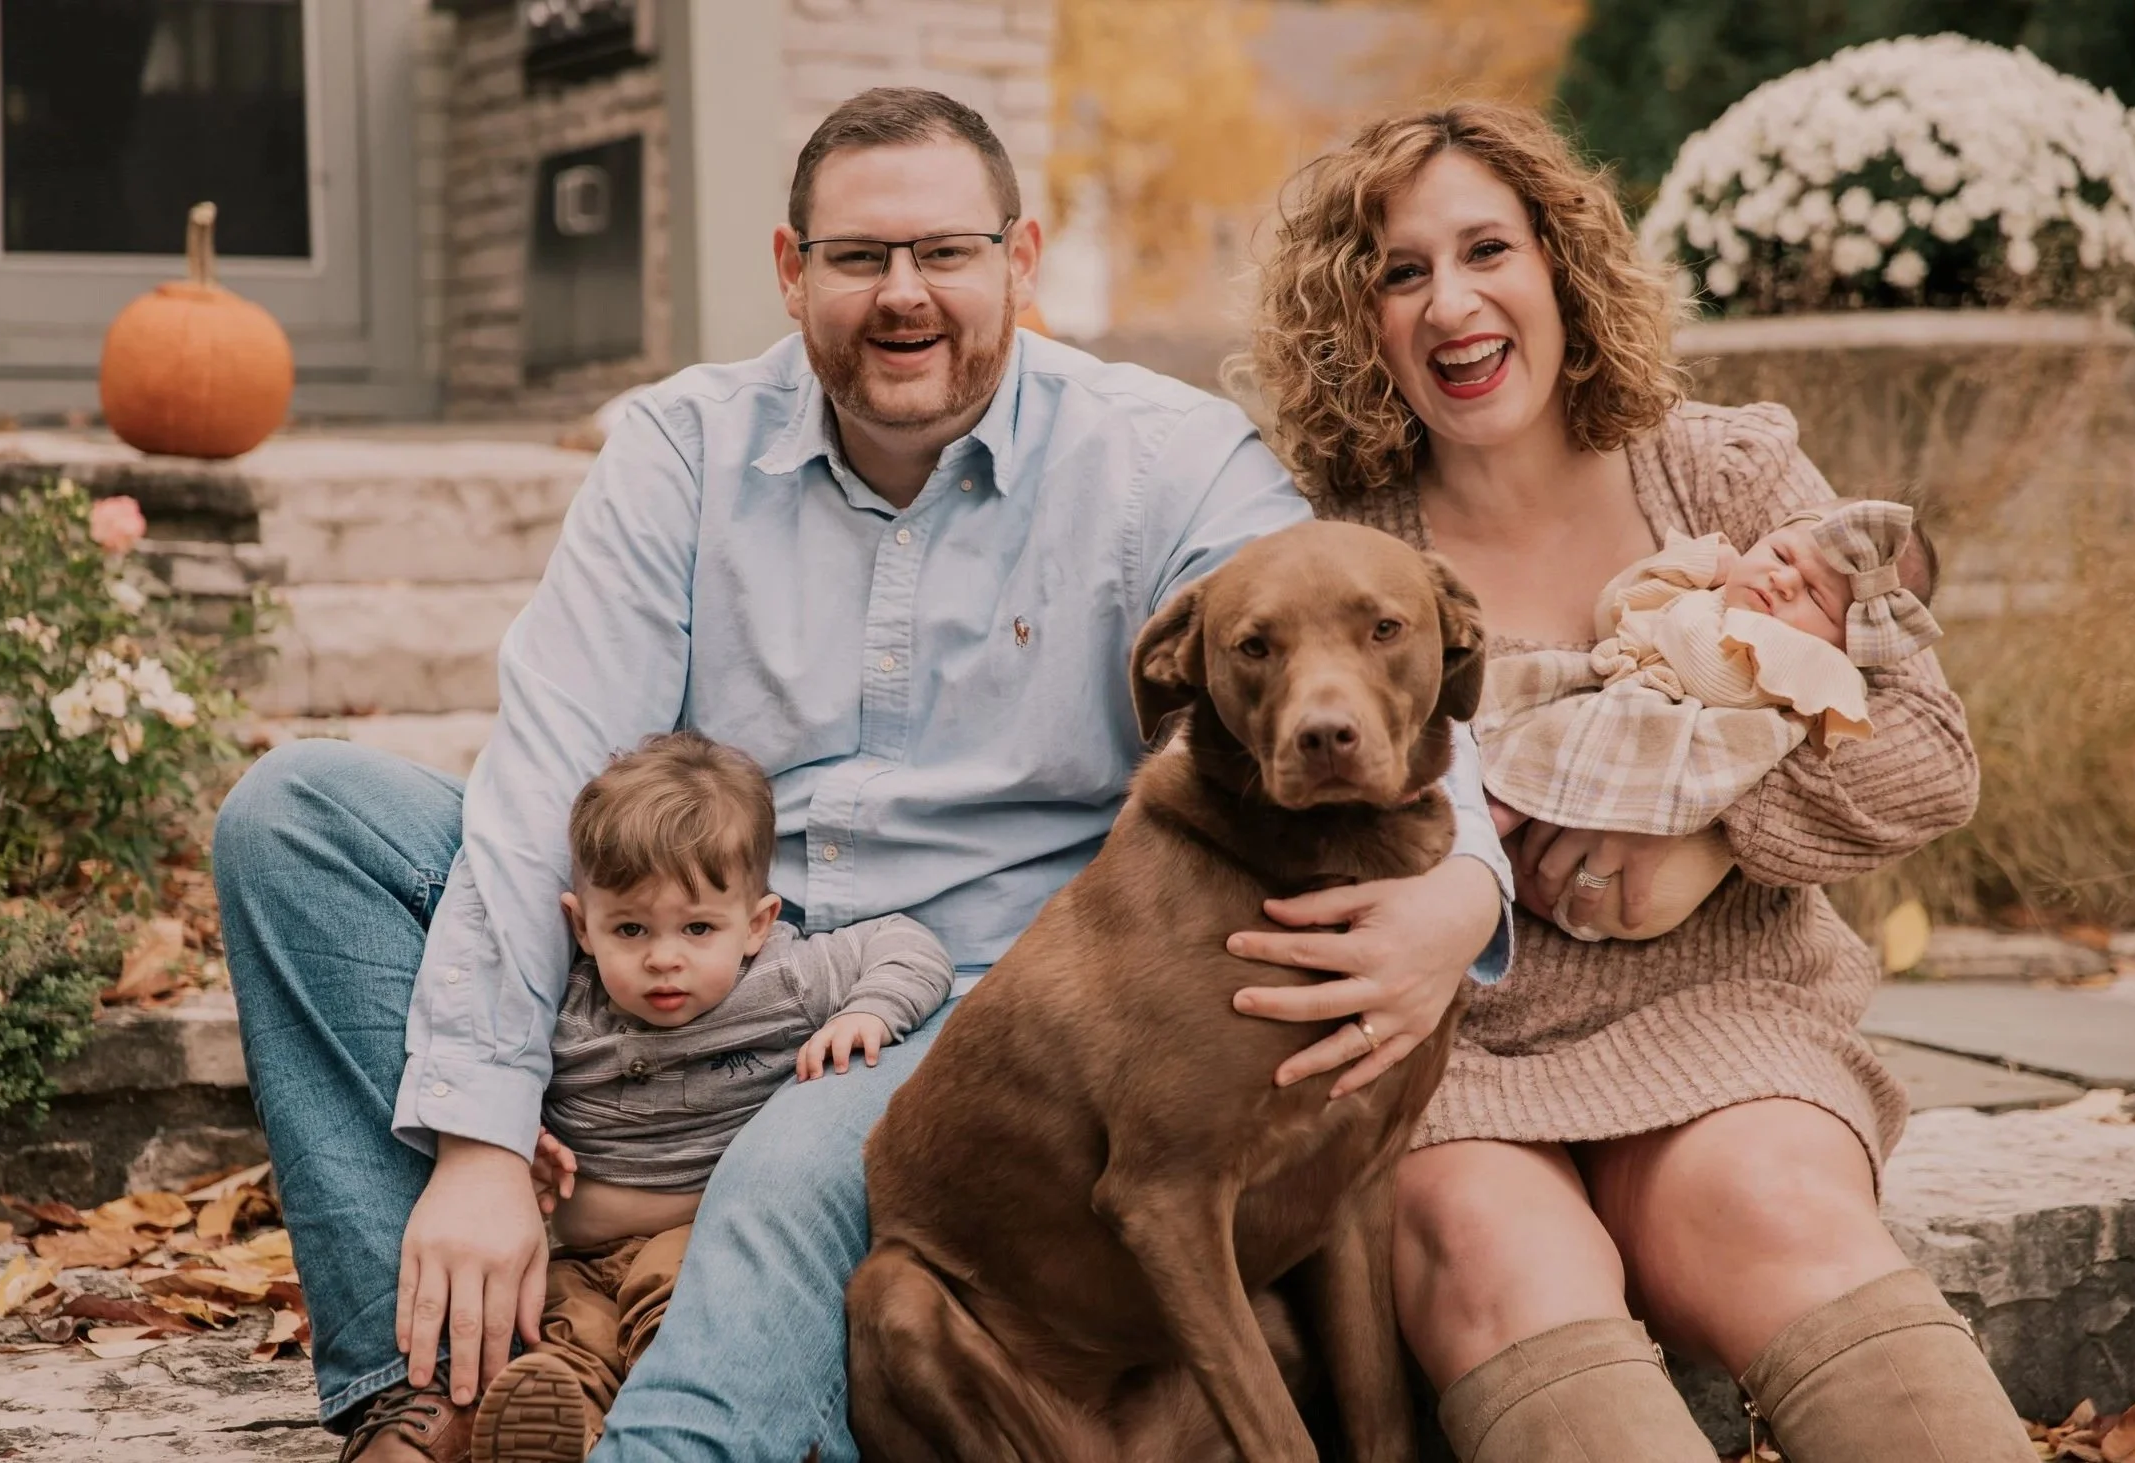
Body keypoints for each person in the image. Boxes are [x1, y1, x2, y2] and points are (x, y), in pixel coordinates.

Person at [213, 87, 1513, 1463]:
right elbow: (544, 773)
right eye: (858, 258)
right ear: (789, 270)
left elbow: (1351, 650)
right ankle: (430, 1389)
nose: (904, 296)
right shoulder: (681, 448)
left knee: (786, 1178)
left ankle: (658, 1419)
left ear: (1017, 262)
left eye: (945, 253)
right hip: (691, 937)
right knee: (295, 816)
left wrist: (1467, 887)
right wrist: (478, 1135)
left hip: (935, 1010)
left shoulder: (1163, 458)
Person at [1249, 102, 2033, 1462]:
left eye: (1486, 248)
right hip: (1455, 1047)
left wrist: (1707, 832)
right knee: (1495, 1256)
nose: (1451, 302)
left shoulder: (1720, 470)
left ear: (1557, 265)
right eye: (1399, 270)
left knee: (1781, 1206)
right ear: (1354, 321)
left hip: (1722, 1011)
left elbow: (1925, 764)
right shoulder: (1323, 538)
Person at [467, 730, 953, 1461]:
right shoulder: (568, 1011)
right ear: (581, 927)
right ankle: (559, 1413)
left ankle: (679, 1397)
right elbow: (512, 1071)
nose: (664, 957)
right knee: (566, 1324)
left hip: (699, 1245)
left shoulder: (784, 980)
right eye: (630, 928)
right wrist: (522, 1134)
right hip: (586, 1255)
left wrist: (867, 1011)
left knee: (680, 1307)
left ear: (756, 924)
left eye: (698, 927)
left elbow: (912, 945)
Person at [1476, 497, 1943, 939]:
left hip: (1681, 746)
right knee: (1528, 718)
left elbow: (1716, 676)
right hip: (1631, 704)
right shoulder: (1713, 590)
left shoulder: (1810, 661)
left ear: (1845, 646)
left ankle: (1496, 834)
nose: (1784, 581)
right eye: (1781, 554)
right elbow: (1618, 606)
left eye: (1816, 599)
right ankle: (1490, 828)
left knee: (1568, 749)